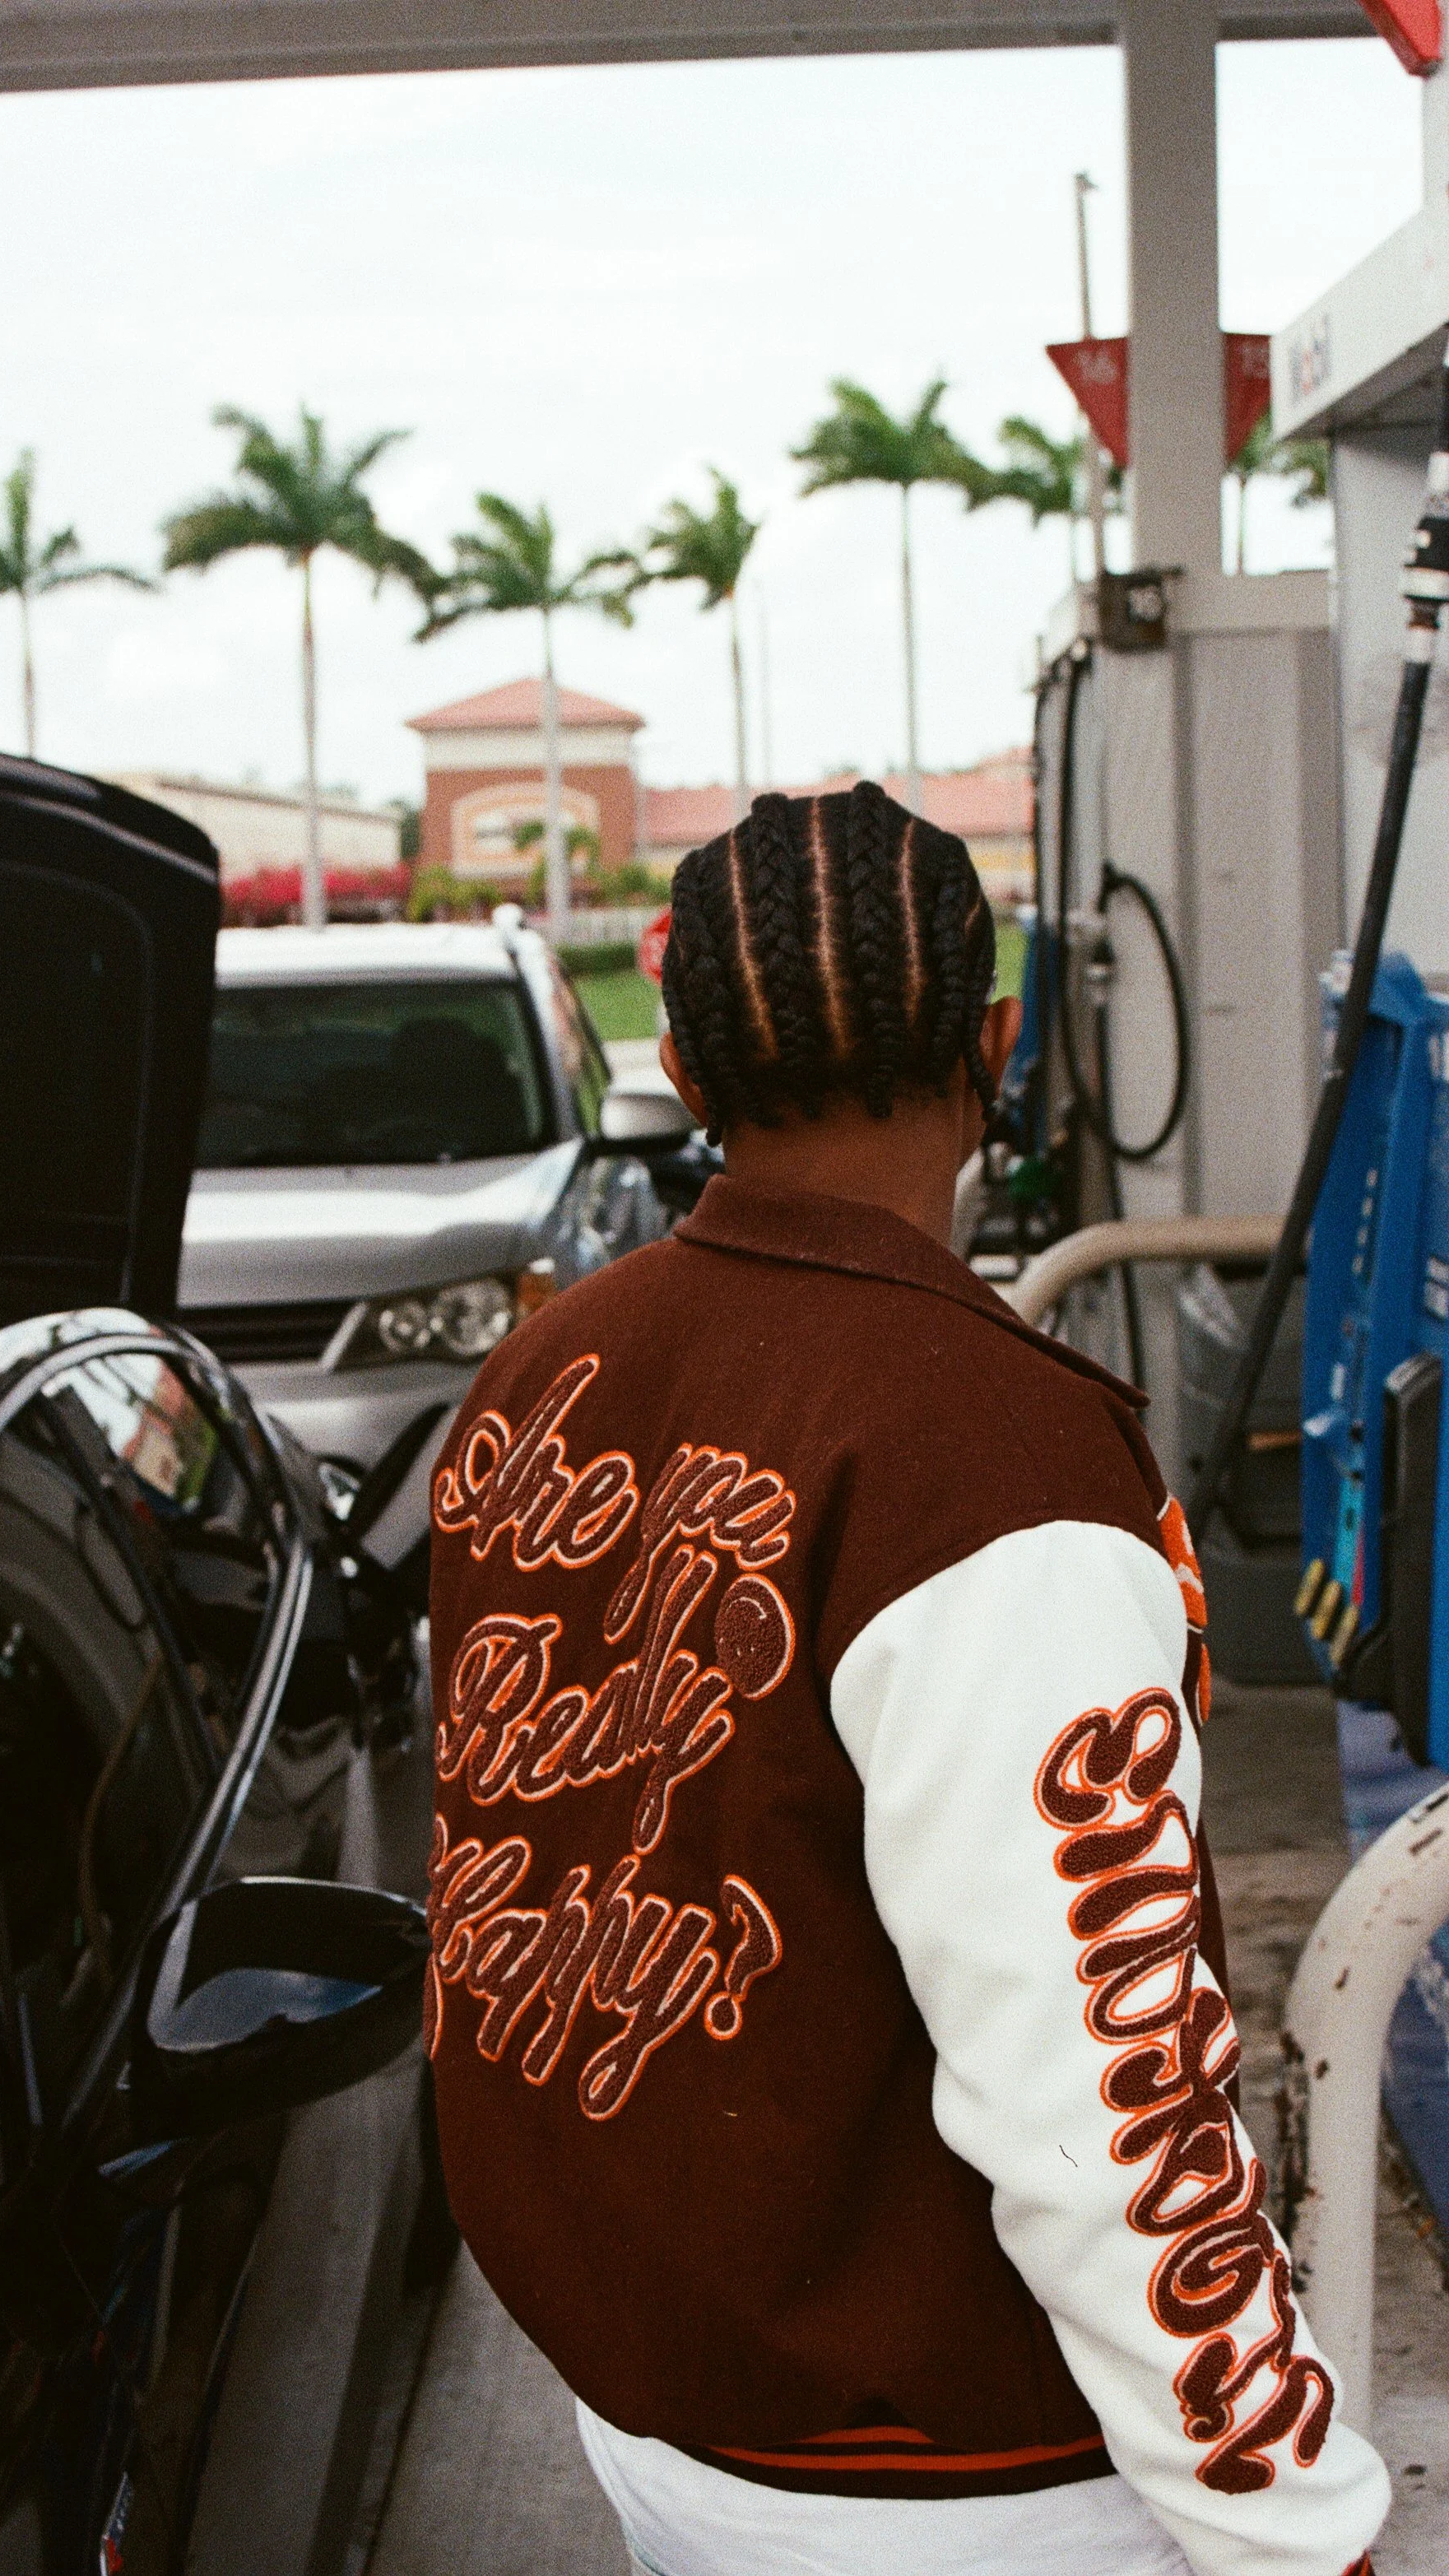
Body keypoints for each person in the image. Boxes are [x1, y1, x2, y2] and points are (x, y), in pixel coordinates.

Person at [424, 782, 1389, 2576]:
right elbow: (1102, 2083)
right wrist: (1292, 2517)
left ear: (685, 1071)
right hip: (951, 2484)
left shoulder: (541, 1372)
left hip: (657, 2404)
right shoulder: (994, 1464)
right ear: (997, 1043)